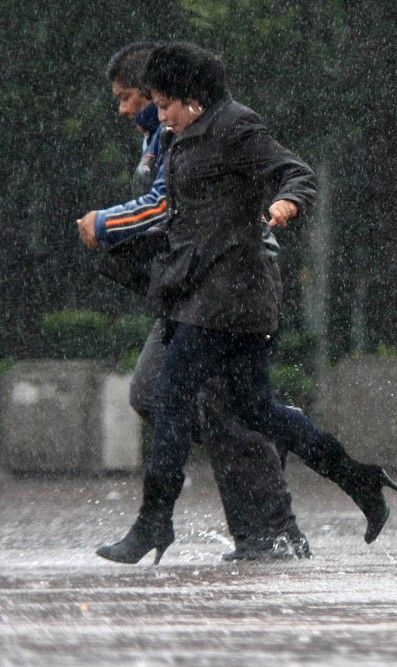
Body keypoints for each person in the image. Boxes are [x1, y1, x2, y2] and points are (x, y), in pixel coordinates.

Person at [96, 42, 397, 565]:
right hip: (197, 290)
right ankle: (357, 477)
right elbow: (176, 210)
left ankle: (157, 524)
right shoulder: (178, 137)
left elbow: (295, 172)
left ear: (191, 99)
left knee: (176, 396)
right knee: (250, 408)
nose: (156, 115)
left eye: (161, 104)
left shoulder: (236, 127)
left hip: (232, 294)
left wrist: (285, 203)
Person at [77, 43, 309, 561]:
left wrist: (105, 224)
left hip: (227, 284)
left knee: (217, 409)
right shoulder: (163, 136)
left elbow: (165, 206)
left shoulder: (205, 130)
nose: (125, 110)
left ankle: (270, 532)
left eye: (131, 98)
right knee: (155, 395)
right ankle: (272, 430)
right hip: (187, 287)